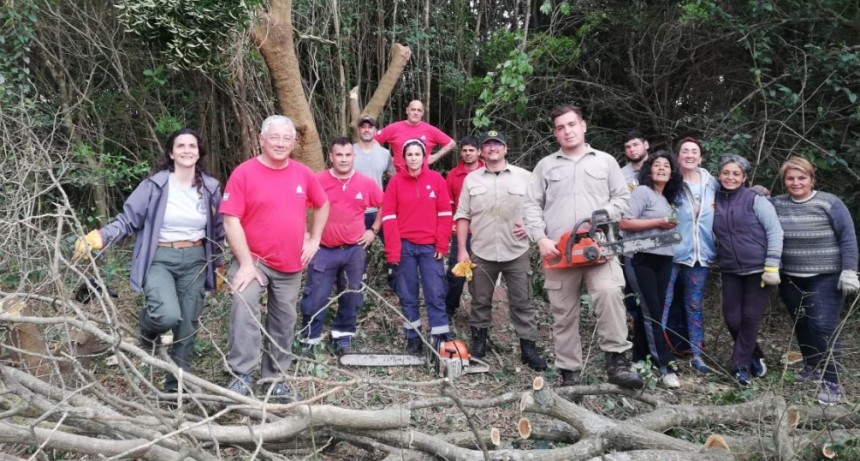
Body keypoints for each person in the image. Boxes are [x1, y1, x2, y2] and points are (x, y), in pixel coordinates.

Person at [73, 128, 225, 393]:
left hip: (196, 259)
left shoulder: (210, 188)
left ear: (199, 152)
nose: (187, 150)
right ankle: (147, 328)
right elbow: (128, 219)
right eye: (181, 146)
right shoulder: (154, 185)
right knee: (166, 315)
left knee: (187, 326)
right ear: (171, 153)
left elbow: (219, 229)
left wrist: (218, 264)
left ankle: (174, 390)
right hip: (160, 258)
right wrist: (100, 236)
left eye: (192, 146)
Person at [523, 104, 644, 389]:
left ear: (583, 125)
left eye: (571, 124)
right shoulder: (546, 166)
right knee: (563, 313)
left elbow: (622, 199)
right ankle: (569, 372)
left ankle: (618, 363)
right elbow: (530, 205)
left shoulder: (605, 162)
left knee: (610, 295)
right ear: (555, 133)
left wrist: (603, 215)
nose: (567, 130)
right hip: (558, 250)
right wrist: (540, 238)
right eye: (561, 127)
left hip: (598, 246)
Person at [219, 115, 329, 401]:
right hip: (252, 258)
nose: (280, 143)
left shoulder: (303, 173)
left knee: (284, 320)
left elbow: (323, 203)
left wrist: (315, 239)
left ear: (293, 143)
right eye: (275, 137)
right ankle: (241, 374)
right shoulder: (244, 173)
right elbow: (231, 220)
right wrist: (244, 263)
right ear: (262, 139)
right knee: (243, 305)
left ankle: (276, 379)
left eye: (286, 138)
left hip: (291, 262)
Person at [454, 130, 546, 370]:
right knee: (480, 300)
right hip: (482, 252)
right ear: (482, 151)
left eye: (498, 144)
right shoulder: (472, 180)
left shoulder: (524, 177)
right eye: (488, 145)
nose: (493, 148)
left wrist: (529, 225)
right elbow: (462, 216)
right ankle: (479, 348)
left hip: (515, 252)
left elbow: (542, 206)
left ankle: (528, 350)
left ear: (505, 149)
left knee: (522, 302)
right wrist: (462, 250)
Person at [772, 157, 858, 405]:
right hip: (790, 276)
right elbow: (756, 208)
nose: (796, 182)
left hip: (826, 276)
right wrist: (757, 193)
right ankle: (812, 365)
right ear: (784, 181)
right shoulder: (777, 204)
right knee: (802, 322)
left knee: (822, 325)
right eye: (790, 178)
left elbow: (847, 237)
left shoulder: (829, 203)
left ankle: (832, 381)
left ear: (812, 179)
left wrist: (849, 270)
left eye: (802, 178)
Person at [298, 138, 383, 355]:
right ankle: (310, 338)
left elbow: (385, 204)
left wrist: (372, 230)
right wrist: (306, 234)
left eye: (347, 155)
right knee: (316, 295)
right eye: (339, 155)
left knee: (351, 295)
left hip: (354, 250)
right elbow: (299, 206)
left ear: (354, 157)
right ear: (331, 157)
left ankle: (342, 337)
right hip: (323, 250)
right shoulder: (317, 180)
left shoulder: (366, 183)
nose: (343, 159)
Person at [712, 154, 783, 385]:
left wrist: (772, 265)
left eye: (736, 174)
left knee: (750, 317)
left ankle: (739, 367)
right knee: (732, 318)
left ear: (744, 178)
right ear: (719, 174)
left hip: (759, 268)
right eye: (726, 172)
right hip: (730, 268)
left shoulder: (755, 199)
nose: (730, 177)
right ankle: (755, 355)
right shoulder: (714, 199)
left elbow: (775, 231)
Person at [619, 151, 684, 389]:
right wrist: (659, 222)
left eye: (666, 165)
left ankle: (638, 358)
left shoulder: (666, 198)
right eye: (657, 165)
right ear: (649, 170)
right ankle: (665, 365)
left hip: (664, 259)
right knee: (652, 313)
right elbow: (624, 222)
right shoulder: (642, 192)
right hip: (640, 257)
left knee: (647, 311)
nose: (662, 168)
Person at [381, 139, 453, 354]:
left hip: (430, 247)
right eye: (409, 154)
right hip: (405, 247)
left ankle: (440, 338)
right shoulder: (395, 183)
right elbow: (389, 217)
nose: (413, 158)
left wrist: (442, 243)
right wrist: (393, 250)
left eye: (417, 154)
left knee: (435, 292)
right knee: (408, 294)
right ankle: (413, 337)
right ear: (404, 158)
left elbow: (445, 214)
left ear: (424, 157)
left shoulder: (436, 179)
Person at [662, 136, 717, 375]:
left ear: (701, 157)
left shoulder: (712, 183)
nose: (690, 155)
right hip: (670, 253)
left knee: (694, 305)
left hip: (700, 254)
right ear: (678, 156)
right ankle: (660, 356)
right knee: (663, 303)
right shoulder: (670, 182)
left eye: (694, 151)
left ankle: (697, 355)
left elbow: (735, 195)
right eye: (685, 151)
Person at [445, 135, 483, 317]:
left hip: (485, 232)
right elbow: (447, 204)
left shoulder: (488, 171)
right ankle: (449, 309)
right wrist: (451, 223)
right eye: (465, 151)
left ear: (479, 152)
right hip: (462, 232)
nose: (468, 154)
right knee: (457, 273)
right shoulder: (453, 175)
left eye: (471, 151)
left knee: (482, 274)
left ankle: (481, 314)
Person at [375, 100, 456, 173]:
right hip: (399, 177)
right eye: (413, 109)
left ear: (422, 113)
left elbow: (451, 143)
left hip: (423, 177)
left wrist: (435, 156)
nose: (416, 113)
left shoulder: (430, 130)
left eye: (419, 110)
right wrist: (387, 158)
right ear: (407, 111)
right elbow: (372, 141)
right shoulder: (394, 128)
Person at [353, 115, 393, 243]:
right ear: (358, 130)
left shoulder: (385, 153)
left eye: (370, 127)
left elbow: (394, 179)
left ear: (375, 131)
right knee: (357, 252)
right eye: (363, 127)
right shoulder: (348, 152)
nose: (366, 130)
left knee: (393, 247)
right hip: (355, 211)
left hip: (379, 210)